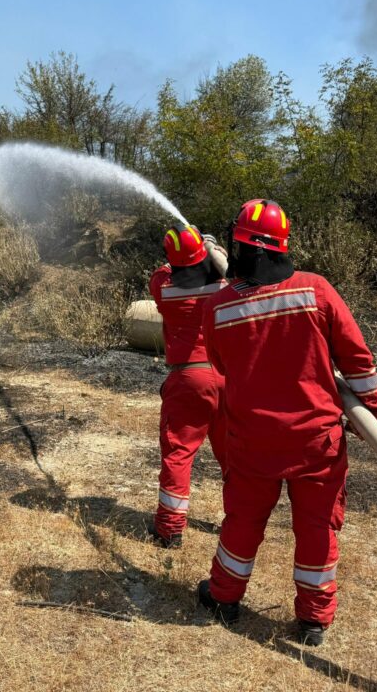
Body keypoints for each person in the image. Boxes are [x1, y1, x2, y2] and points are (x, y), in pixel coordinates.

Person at [196, 199, 377, 646]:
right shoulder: (316, 290)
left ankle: (224, 598)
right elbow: (357, 359)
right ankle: (314, 620)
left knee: (242, 520)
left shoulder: (219, 308)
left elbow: (220, 366)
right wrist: (371, 411)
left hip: (252, 442)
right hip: (316, 443)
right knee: (318, 527)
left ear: (251, 250)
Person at [148, 223, 228, 549]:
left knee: (179, 454)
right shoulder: (223, 287)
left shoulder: (163, 288)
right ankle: (238, 524)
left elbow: (166, 269)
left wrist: (185, 246)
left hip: (189, 378)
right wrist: (209, 246)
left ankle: (170, 529)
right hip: (226, 379)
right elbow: (225, 267)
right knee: (232, 457)